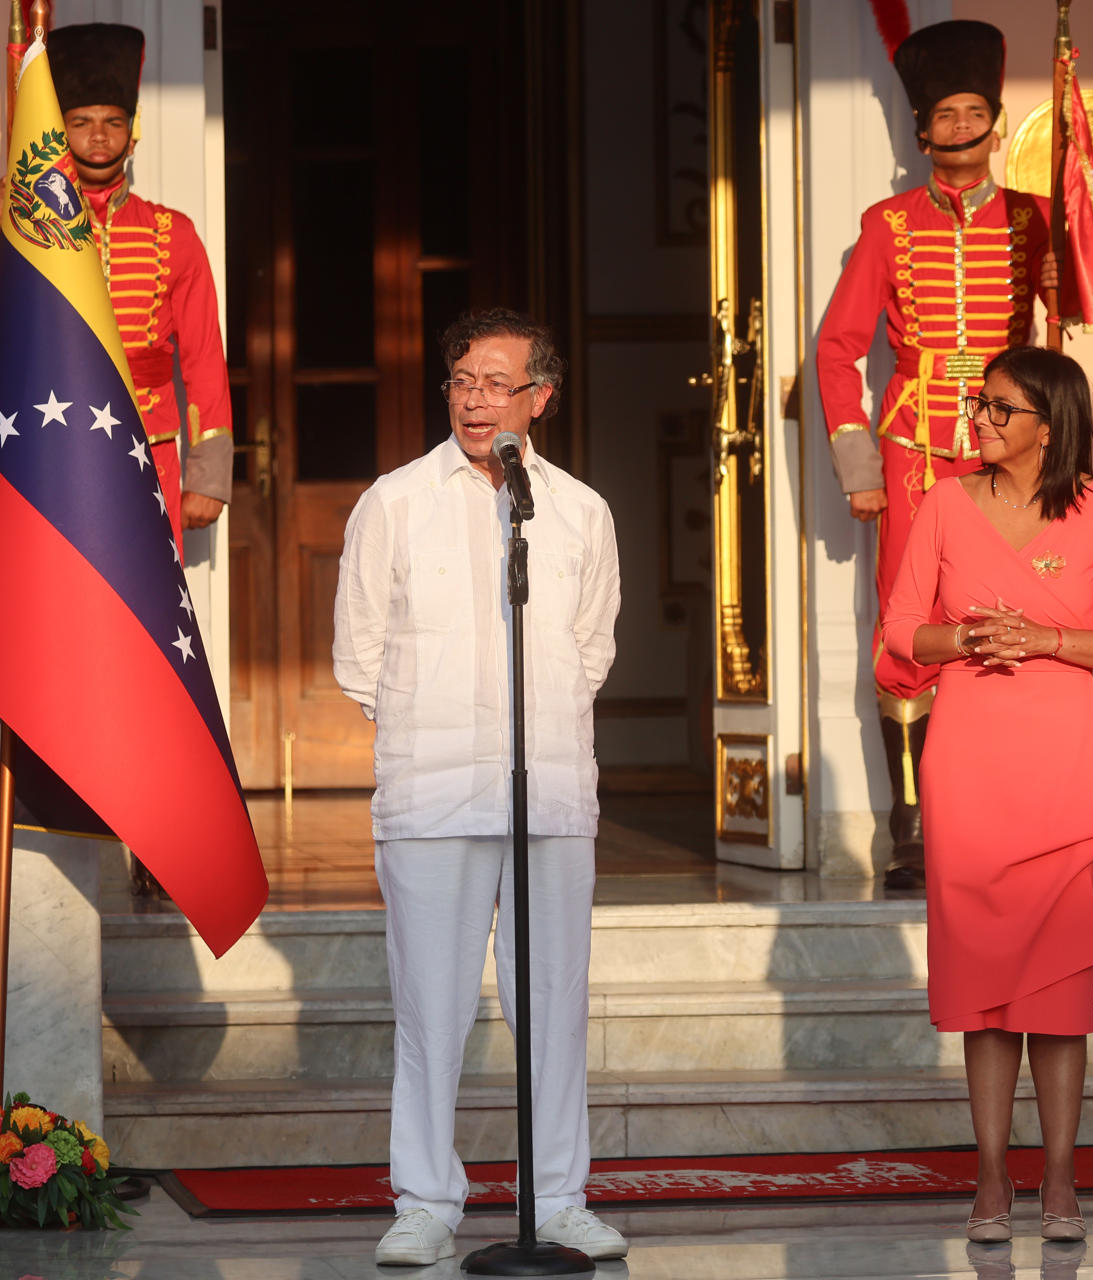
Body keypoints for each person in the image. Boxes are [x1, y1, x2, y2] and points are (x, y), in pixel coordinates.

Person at [333, 309, 627, 1266]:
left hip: (550, 791)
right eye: (462, 380)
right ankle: (425, 1201)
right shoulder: (394, 501)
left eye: (497, 383)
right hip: (431, 792)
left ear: (541, 398)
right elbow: (359, 655)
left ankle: (558, 1198)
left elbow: (590, 648)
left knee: (555, 1005)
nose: (474, 399)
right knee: (431, 1006)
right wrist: (430, 724)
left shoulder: (577, 510)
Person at [881, 346, 1093, 1242]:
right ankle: (993, 1178)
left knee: (1058, 994)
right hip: (968, 764)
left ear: (1049, 423)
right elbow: (898, 631)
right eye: (981, 403)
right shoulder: (943, 502)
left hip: (1064, 766)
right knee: (985, 988)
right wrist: (965, 639)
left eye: (1000, 408)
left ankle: (1062, 1180)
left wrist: (1044, 639)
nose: (981, 419)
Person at [815, 19, 1054, 890]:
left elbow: (1065, 331)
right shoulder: (886, 225)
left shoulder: (1035, 219)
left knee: (1008, 616)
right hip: (914, 452)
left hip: (1010, 451)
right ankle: (911, 826)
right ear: (923, 131)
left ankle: (996, 813)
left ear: (994, 122)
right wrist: (860, 469)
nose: (960, 126)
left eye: (973, 112)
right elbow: (837, 349)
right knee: (910, 625)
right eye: (944, 115)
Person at [0, 22, 232, 549]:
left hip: (150, 448)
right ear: (59, 130)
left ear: (132, 130)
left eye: (113, 122)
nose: (99, 136)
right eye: (81, 122)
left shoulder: (174, 233)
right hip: (48, 440)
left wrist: (208, 476)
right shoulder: (22, 217)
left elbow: (204, 358)